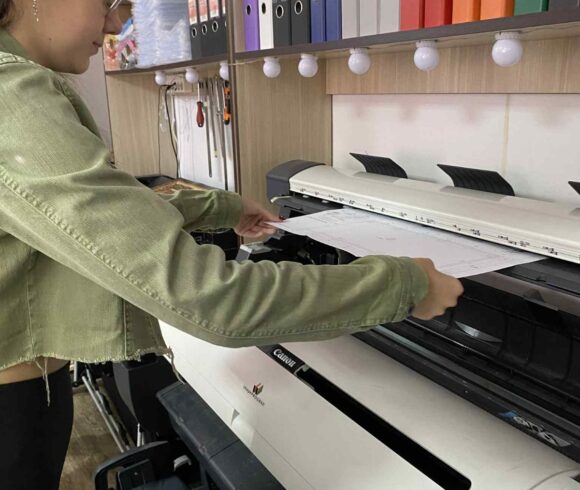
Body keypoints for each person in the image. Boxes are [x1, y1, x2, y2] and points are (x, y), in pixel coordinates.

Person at [0, 0, 464, 488]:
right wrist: (406, 284)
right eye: (109, 3)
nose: (117, 25)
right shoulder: (13, 98)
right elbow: (213, 298)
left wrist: (223, 208)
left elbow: (87, 208)